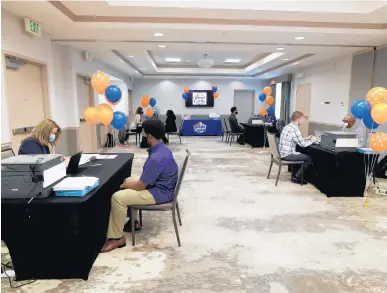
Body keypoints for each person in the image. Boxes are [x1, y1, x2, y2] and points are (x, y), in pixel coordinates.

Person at [101, 119, 178, 253]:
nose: (141, 134)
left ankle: (116, 238)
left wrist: (123, 186)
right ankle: (133, 221)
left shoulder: (156, 158)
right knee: (129, 179)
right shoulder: (163, 149)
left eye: (143, 132)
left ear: (149, 136)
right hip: (162, 186)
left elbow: (141, 185)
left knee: (118, 197)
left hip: (160, 193)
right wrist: (128, 183)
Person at [278, 111, 317, 184]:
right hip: (287, 155)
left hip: (282, 153)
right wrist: (313, 140)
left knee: (299, 154)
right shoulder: (295, 129)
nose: (303, 120)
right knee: (308, 159)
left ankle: (295, 176)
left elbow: (296, 139)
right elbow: (303, 145)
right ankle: (296, 177)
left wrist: (307, 138)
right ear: (298, 119)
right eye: (302, 118)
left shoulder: (288, 126)